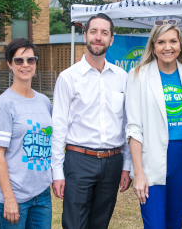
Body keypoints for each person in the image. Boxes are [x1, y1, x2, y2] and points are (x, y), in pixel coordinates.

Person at [51, 13, 132, 229]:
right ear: (85, 35)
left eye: (104, 33)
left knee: (100, 224)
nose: (98, 37)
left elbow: (126, 125)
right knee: (74, 224)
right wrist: (57, 172)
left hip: (113, 163)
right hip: (79, 161)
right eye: (94, 31)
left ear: (111, 39)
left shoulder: (122, 77)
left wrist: (126, 166)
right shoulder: (68, 78)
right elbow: (58, 128)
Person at [126, 23, 182, 229]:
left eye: (173, 41)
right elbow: (133, 128)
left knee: (175, 223)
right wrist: (139, 173)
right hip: (151, 161)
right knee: (155, 224)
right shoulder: (138, 75)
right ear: (153, 45)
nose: (167, 47)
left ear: (180, 45)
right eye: (161, 42)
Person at [0, 39, 53, 229]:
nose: (25, 65)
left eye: (30, 60)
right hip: (13, 194)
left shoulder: (43, 101)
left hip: (41, 194)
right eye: (19, 60)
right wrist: (9, 198)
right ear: (9, 64)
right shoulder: (3, 104)